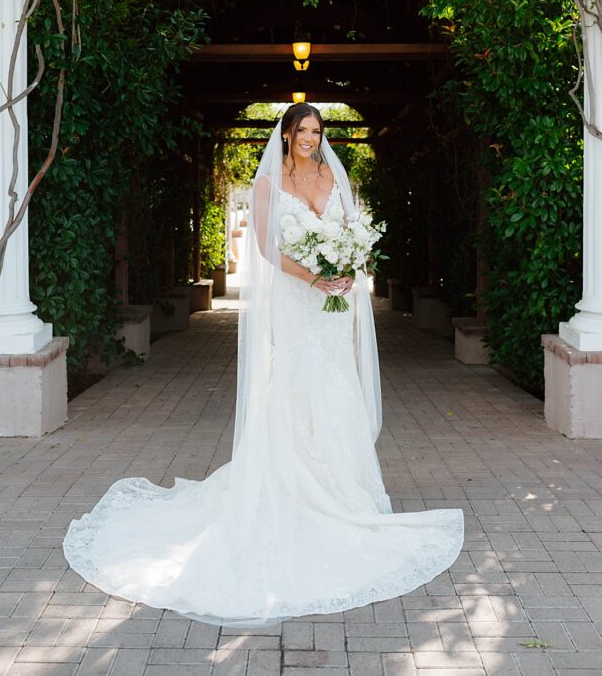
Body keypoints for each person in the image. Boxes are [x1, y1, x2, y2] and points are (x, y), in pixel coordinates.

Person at [62, 104, 464, 629]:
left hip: (333, 306)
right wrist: (315, 279)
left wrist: (346, 266)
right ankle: (295, 486)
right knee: (297, 387)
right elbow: (268, 252)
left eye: (318, 132)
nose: (311, 140)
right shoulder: (269, 184)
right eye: (303, 131)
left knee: (338, 387)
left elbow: (350, 233)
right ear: (287, 134)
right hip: (299, 305)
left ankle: (349, 493)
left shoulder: (332, 175)